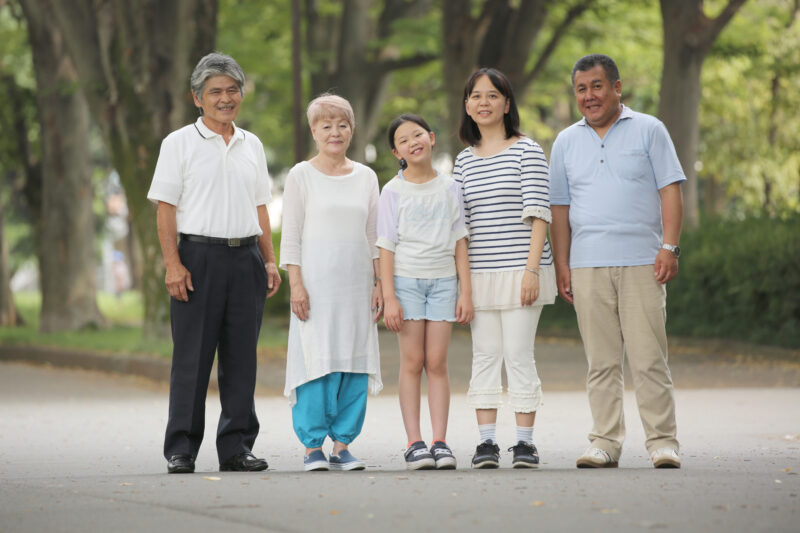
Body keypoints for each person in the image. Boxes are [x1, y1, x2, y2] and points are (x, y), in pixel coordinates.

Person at [148, 52, 281, 474]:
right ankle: (181, 448)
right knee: (192, 357)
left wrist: (270, 260)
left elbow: (261, 206)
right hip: (197, 258)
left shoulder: (252, 144)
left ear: (241, 93)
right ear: (197, 98)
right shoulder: (178, 144)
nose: (226, 98)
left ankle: (237, 447)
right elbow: (165, 209)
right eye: (215, 92)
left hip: (246, 259)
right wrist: (173, 264)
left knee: (242, 358)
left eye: (232, 90)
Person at [549, 54, 685, 469]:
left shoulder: (649, 130)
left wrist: (670, 247)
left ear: (616, 87)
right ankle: (605, 442)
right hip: (588, 264)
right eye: (581, 89)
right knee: (601, 362)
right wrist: (562, 264)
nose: (589, 96)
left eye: (597, 86)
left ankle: (663, 442)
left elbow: (670, 190)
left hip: (642, 260)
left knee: (648, 358)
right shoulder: (565, 141)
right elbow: (559, 207)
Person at [454, 68, 557, 469]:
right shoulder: (463, 160)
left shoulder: (527, 150)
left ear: (507, 103)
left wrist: (531, 271)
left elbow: (539, 214)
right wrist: (463, 285)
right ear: (467, 106)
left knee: (517, 354)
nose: (484, 102)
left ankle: (525, 443)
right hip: (479, 275)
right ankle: (486, 444)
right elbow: (460, 227)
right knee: (485, 355)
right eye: (476, 96)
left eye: (492, 95)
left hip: (520, 271)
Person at [280, 94, 383, 472]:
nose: (335, 133)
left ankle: (342, 445)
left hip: (357, 286)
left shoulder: (367, 177)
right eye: (326, 126)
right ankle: (312, 447)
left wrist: (380, 283)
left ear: (352, 130)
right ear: (314, 131)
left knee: (353, 361)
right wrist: (296, 285)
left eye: (342, 125)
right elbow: (290, 236)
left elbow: (376, 237)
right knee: (316, 361)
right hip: (316, 286)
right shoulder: (300, 176)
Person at [377, 114, 474, 470]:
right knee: (413, 362)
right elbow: (385, 246)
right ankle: (414, 443)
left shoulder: (450, 187)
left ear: (431, 138)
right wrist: (389, 297)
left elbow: (460, 240)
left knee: (437, 362)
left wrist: (466, 291)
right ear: (396, 152)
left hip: (444, 282)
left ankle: (440, 442)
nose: (412, 142)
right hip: (406, 283)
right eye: (403, 140)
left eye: (418, 134)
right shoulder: (393, 191)